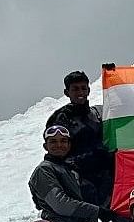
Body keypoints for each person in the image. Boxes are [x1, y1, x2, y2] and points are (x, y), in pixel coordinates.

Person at [29, 124, 102, 222]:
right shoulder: (45, 169)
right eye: (53, 142)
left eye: (63, 141)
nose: (59, 145)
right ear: (45, 146)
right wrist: (94, 211)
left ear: (69, 144)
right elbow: (60, 204)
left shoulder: (69, 170)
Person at [47, 69, 112, 211]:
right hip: (79, 183)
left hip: (107, 178)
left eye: (83, 88)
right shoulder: (60, 119)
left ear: (89, 90)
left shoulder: (98, 114)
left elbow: (126, 111)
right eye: (75, 89)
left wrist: (113, 76)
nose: (80, 92)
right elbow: (57, 152)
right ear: (67, 93)